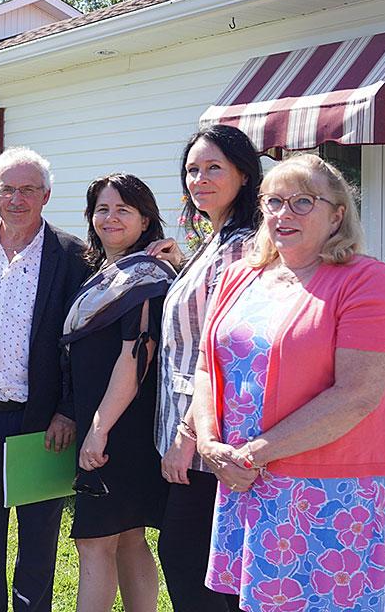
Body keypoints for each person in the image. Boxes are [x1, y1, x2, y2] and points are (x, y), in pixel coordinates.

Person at [192, 153, 385, 611]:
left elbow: (357, 395)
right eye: (273, 202)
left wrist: (253, 454)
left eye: (303, 202)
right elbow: (209, 367)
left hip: (328, 490)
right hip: (246, 480)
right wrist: (210, 444)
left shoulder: (368, 281)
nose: (283, 214)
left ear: (337, 214)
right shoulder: (239, 276)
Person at [0, 146, 89, 612]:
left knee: (38, 536)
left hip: (43, 422)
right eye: (7, 189)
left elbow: (81, 346)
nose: (17, 199)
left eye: (28, 189)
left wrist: (67, 410)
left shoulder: (72, 255)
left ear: (46, 195)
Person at [145, 125, 260, 612]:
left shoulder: (243, 245)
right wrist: (183, 264)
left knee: (194, 563)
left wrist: (186, 436)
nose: (200, 178)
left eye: (214, 167)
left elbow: (221, 350)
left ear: (244, 174)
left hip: (211, 435)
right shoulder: (218, 241)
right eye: (193, 169)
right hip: (193, 428)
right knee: (195, 559)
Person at [61, 173, 173, 612]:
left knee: (93, 542)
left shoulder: (145, 276)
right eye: (102, 209)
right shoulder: (102, 273)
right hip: (106, 421)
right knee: (128, 535)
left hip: (118, 426)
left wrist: (98, 430)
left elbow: (136, 357)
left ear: (145, 219)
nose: (110, 218)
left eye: (123, 209)